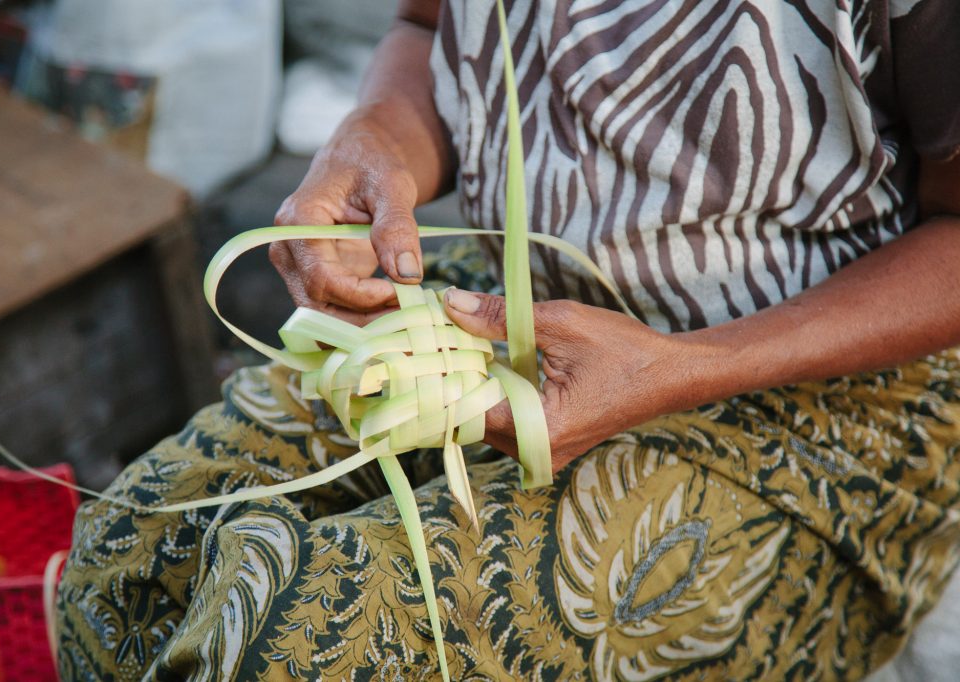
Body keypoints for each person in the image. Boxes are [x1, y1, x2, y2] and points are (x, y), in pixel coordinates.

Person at [56, 1, 960, 679]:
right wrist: (377, 144)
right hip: (517, 319)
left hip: (813, 412)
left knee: (298, 647)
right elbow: (424, 31)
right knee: (126, 562)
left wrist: (686, 368)